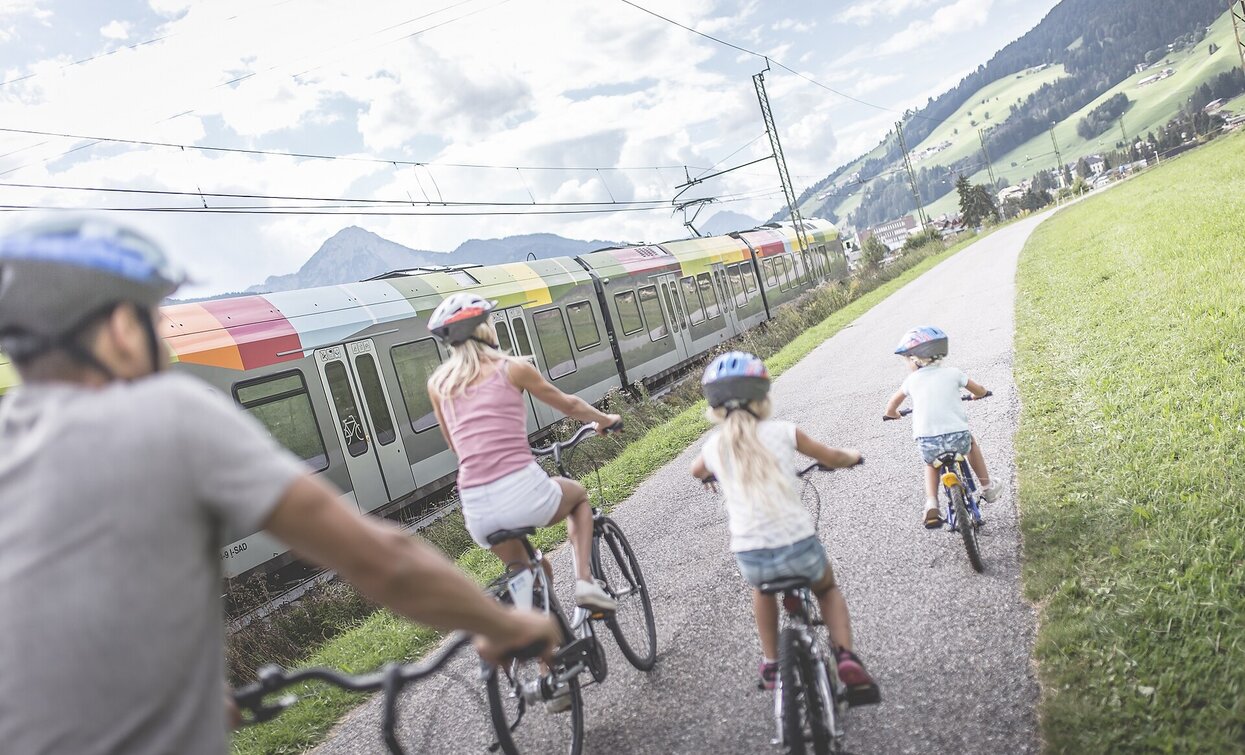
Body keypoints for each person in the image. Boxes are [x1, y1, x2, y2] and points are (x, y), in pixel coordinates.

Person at [0, 217, 561, 755]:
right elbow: (382, 560)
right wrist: (505, 623)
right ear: (123, 328)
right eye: (156, 321)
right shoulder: (163, 411)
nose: (166, 350)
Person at [689, 351, 879, 702]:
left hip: (751, 554)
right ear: (763, 398)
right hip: (798, 544)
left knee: (762, 590)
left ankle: (772, 662)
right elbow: (831, 457)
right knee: (826, 589)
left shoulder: (714, 446)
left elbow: (696, 470)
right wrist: (852, 456)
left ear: (714, 408)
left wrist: (710, 475)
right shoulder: (784, 432)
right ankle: (846, 658)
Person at [425, 293, 620, 615]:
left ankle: (543, 644)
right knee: (578, 498)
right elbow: (569, 405)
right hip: (521, 489)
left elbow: (455, 445)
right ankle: (586, 584)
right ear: (484, 328)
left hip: (477, 507)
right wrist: (605, 419)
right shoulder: (512, 368)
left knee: (532, 572)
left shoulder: (438, 385)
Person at [883, 326, 1003, 528]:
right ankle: (987, 486)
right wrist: (979, 395)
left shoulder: (911, 381)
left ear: (915, 360)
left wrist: (893, 414)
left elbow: (892, 405)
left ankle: (931, 502)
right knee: (971, 445)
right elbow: (980, 390)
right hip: (958, 437)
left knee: (931, 464)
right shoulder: (954, 373)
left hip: (928, 441)